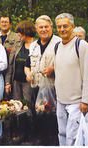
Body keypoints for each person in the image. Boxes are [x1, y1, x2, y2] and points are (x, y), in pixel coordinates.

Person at [54, 13, 88, 146]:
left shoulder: (81, 45)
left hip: (76, 102)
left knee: (74, 138)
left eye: (65, 26)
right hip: (60, 100)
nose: (62, 29)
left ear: (72, 26)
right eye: (59, 27)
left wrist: (86, 101)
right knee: (62, 133)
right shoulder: (57, 46)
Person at [24, 15, 61, 145]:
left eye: (46, 26)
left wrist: (53, 68)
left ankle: (54, 142)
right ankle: (41, 141)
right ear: (36, 29)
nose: (44, 29)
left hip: (53, 87)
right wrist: (28, 74)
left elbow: (66, 62)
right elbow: (27, 65)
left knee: (53, 116)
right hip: (36, 86)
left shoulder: (59, 42)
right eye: (41, 27)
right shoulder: (33, 45)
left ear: (51, 27)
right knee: (38, 115)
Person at [4, 20, 36, 143]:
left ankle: (31, 134)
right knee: (18, 108)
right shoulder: (17, 45)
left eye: (20, 33)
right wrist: (8, 82)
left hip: (29, 83)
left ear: (26, 32)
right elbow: (10, 66)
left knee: (28, 108)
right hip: (16, 81)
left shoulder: (36, 46)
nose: (18, 35)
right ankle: (21, 132)